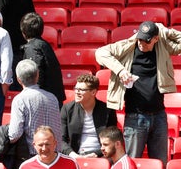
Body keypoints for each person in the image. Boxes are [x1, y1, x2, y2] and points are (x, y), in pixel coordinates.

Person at [95, 21, 181, 166]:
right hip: (135, 117)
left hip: (159, 115)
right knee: (131, 163)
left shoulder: (163, 46)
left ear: (156, 38)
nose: (142, 43)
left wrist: (166, 31)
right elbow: (100, 53)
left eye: (146, 40)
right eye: (140, 38)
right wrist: (120, 70)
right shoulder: (128, 46)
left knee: (160, 163)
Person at [9, 59, 63, 156]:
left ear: (18, 79)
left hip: (32, 154)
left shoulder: (20, 100)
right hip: (54, 154)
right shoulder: (52, 98)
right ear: (37, 76)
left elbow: (14, 135)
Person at [60, 75, 118, 158]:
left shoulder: (107, 110)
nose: (77, 92)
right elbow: (61, 139)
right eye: (76, 89)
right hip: (74, 155)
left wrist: (97, 154)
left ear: (93, 92)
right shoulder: (67, 109)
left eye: (81, 90)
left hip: (101, 155)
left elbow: (112, 138)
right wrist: (73, 155)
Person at [19, 13, 65, 107]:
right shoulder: (43, 44)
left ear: (23, 31)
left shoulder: (33, 48)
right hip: (51, 97)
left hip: (44, 101)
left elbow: (36, 74)